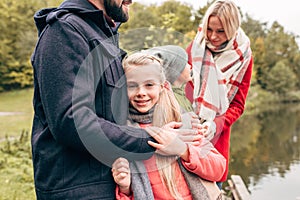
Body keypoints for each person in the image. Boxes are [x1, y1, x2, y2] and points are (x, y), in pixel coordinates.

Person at [30, 0, 195, 199]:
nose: (130, 0)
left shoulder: (103, 34)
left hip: (110, 185)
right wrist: (152, 138)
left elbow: (119, 107)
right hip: (80, 189)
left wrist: (178, 123)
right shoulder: (65, 31)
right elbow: (72, 121)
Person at [111, 52, 226, 199]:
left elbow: (219, 169)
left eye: (149, 85)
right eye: (132, 86)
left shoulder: (181, 122)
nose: (141, 92)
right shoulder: (124, 134)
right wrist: (125, 188)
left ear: (162, 86)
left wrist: (183, 150)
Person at [185, 0, 253, 189]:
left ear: (232, 29)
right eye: (209, 29)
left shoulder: (244, 57)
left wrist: (214, 125)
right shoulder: (195, 47)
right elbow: (177, 89)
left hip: (216, 142)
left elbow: (238, 106)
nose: (212, 36)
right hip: (186, 137)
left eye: (221, 31)